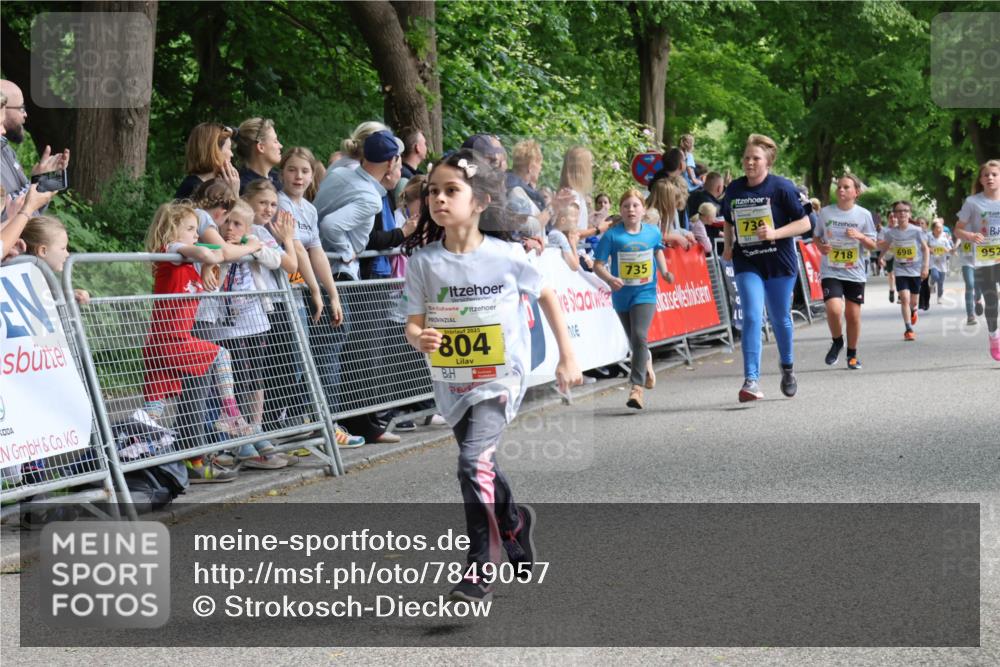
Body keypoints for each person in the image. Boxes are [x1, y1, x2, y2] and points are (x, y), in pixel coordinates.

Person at [403, 149, 582, 603]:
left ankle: (480, 566)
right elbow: (413, 322)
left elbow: (547, 296)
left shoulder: (507, 256)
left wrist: (567, 356)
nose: (439, 199)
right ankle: (514, 521)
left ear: (480, 201)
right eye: (433, 192)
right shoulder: (424, 262)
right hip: (452, 381)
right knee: (480, 465)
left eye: (451, 190)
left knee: (471, 463)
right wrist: (420, 337)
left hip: (501, 377)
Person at [141, 202, 252, 482]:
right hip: (172, 340)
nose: (196, 235)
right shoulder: (171, 250)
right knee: (221, 355)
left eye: (196, 229)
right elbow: (204, 252)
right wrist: (216, 253)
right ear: (171, 231)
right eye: (191, 229)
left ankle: (130, 454)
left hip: (164, 344)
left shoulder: (186, 261)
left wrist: (207, 268)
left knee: (152, 412)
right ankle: (230, 413)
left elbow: (211, 269)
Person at [722, 133, 811, 402]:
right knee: (751, 316)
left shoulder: (782, 187)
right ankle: (751, 380)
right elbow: (729, 220)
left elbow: (805, 223)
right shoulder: (734, 189)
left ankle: (788, 367)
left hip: (779, 262)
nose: (750, 163)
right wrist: (728, 246)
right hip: (748, 260)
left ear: (768, 162)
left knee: (780, 317)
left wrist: (775, 233)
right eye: (747, 158)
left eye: (756, 158)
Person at [593, 189, 675, 409]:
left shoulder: (652, 232)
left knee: (639, 335)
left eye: (635, 205)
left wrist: (665, 272)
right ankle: (646, 363)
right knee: (635, 341)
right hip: (621, 295)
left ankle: (636, 388)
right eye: (626, 206)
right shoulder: (612, 236)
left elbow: (657, 251)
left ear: (643, 209)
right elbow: (598, 265)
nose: (631, 209)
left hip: (645, 292)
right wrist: (610, 279)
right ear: (620, 210)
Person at [813, 174, 878, 370]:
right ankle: (837, 341)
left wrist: (860, 236)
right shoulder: (825, 213)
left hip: (854, 271)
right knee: (834, 309)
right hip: (831, 270)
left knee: (852, 315)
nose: (841, 190)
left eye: (846, 187)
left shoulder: (863, 215)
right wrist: (821, 247)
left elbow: (873, 245)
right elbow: (816, 237)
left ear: (856, 192)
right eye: (839, 187)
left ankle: (852, 354)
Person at [954, 159, 1000, 360]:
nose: (990, 177)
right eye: (986, 175)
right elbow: (958, 229)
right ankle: (994, 336)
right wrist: (970, 236)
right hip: (984, 257)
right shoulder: (972, 202)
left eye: (994, 174)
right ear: (980, 180)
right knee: (991, 300)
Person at [0, 80, 71, 203]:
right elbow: (9, 211)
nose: (26, 114)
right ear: (3, 108)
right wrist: (38, 183)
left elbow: (31, 208)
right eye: (21, 108)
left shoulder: (6, 149)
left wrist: (46, 179)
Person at [876, 200, 929, 341]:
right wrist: (880, 257)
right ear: (895, 214)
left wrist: (925, 266)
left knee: (913, 301)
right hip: (900, 269)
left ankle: (914, 310)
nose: (902, 213)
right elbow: (886, 246)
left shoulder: (917, 231)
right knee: (904, 298)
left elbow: (925, 249)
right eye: (899, 211)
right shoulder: (891, 233)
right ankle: (908, 329)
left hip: (915, 269)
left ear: (909, 213)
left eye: (905, 211)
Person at [20, 216, 91, 304]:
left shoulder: (40, 278)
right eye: (63, 248)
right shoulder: (29, 280)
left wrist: (71, 294)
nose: (67, 254)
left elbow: (48, 296)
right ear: (43, 251)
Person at [175, 123, 241, 200]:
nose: (232, 154)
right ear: (215, 152)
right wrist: (234, 194)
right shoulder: (194, 189)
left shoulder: (211, 184)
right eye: (229, 148)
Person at [234, 117, 283, 194]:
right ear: (261, 147)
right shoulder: (247, 188)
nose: (280, 146)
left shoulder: (278, 179)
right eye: (275, 141)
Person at [687, 172, 725, 240]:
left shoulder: (694, 195)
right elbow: (707, 225)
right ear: (719, 188)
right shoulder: (711, 206)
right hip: (704, 240)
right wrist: (719, 232)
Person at [927, 220, 953, 305]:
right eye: (938, 228)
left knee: (941, 282)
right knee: (935, 276)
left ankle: (939, 297)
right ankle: (931, 284)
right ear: (933, 229)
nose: (940, 229)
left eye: (941, 228)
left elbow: (949, 249)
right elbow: (925, 246)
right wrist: (930, 249)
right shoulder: (929, 236)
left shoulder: (944, 237)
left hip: (942, 262)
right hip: (933, 261)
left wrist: (948, 250)